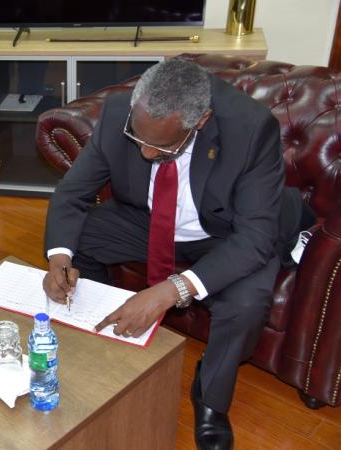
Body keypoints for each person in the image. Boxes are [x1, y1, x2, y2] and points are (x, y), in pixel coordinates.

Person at [43, 59, 304, 450]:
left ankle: (211, 398)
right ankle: (104, 333)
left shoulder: (250, 129)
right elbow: (73, 192)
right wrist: (59, 258)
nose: (146, 153)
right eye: (138, 137)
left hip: (226, 231)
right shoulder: (120, 112)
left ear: (200, 122)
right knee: (82, 238)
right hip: (148, 219)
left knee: (246, 304)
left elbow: (254, 237)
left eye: (162, 145)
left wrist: (169, 291)